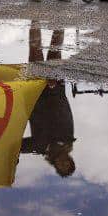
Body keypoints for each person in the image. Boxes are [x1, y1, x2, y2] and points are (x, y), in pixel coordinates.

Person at [21, 23, 75, 177]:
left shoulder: (39, 148)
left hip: (35, 93)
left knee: (35, 51)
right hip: (54, 89)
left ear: (55, 165)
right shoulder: (66, 140)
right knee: (55, 51)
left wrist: (11, 159)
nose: (64, 162)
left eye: (62, 166)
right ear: (71, 159)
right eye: (68, 163)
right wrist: (54, 87)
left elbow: (16, 146)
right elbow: (64, 114)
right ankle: (60, 20)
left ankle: (35, 19)